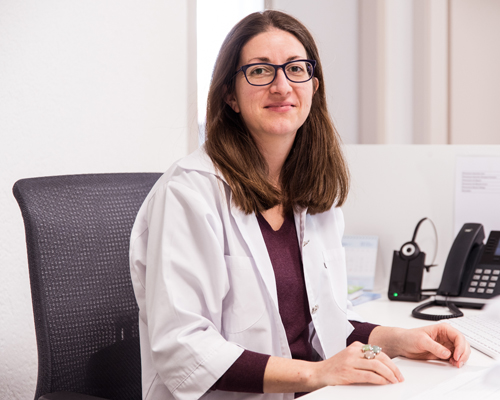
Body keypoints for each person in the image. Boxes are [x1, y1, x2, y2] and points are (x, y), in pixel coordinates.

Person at [129, 10, 470, 400]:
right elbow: (183, 348)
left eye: (296, 69)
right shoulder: (190, 192)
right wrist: (316, 374)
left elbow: (323, 326)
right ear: (230, 95)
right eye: (259, 71)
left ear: (314, 87)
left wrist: (399, 339)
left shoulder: (311, 193)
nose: (281, 86)